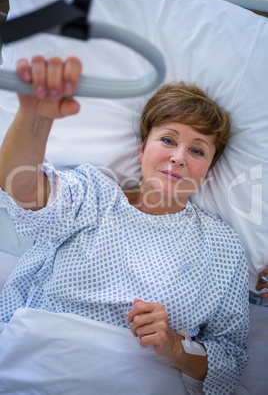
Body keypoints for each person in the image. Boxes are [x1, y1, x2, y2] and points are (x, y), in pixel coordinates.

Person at [0, 56, 249, 394]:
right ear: (141, 148)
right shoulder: (95, 194)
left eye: (198, 150)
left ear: (208, 171)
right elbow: (24, 190)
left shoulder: (222, 247)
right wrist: (36, 116)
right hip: (39, 363)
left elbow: (230, 359)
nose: (178, 157)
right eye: (168, 140)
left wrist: (176, 348)